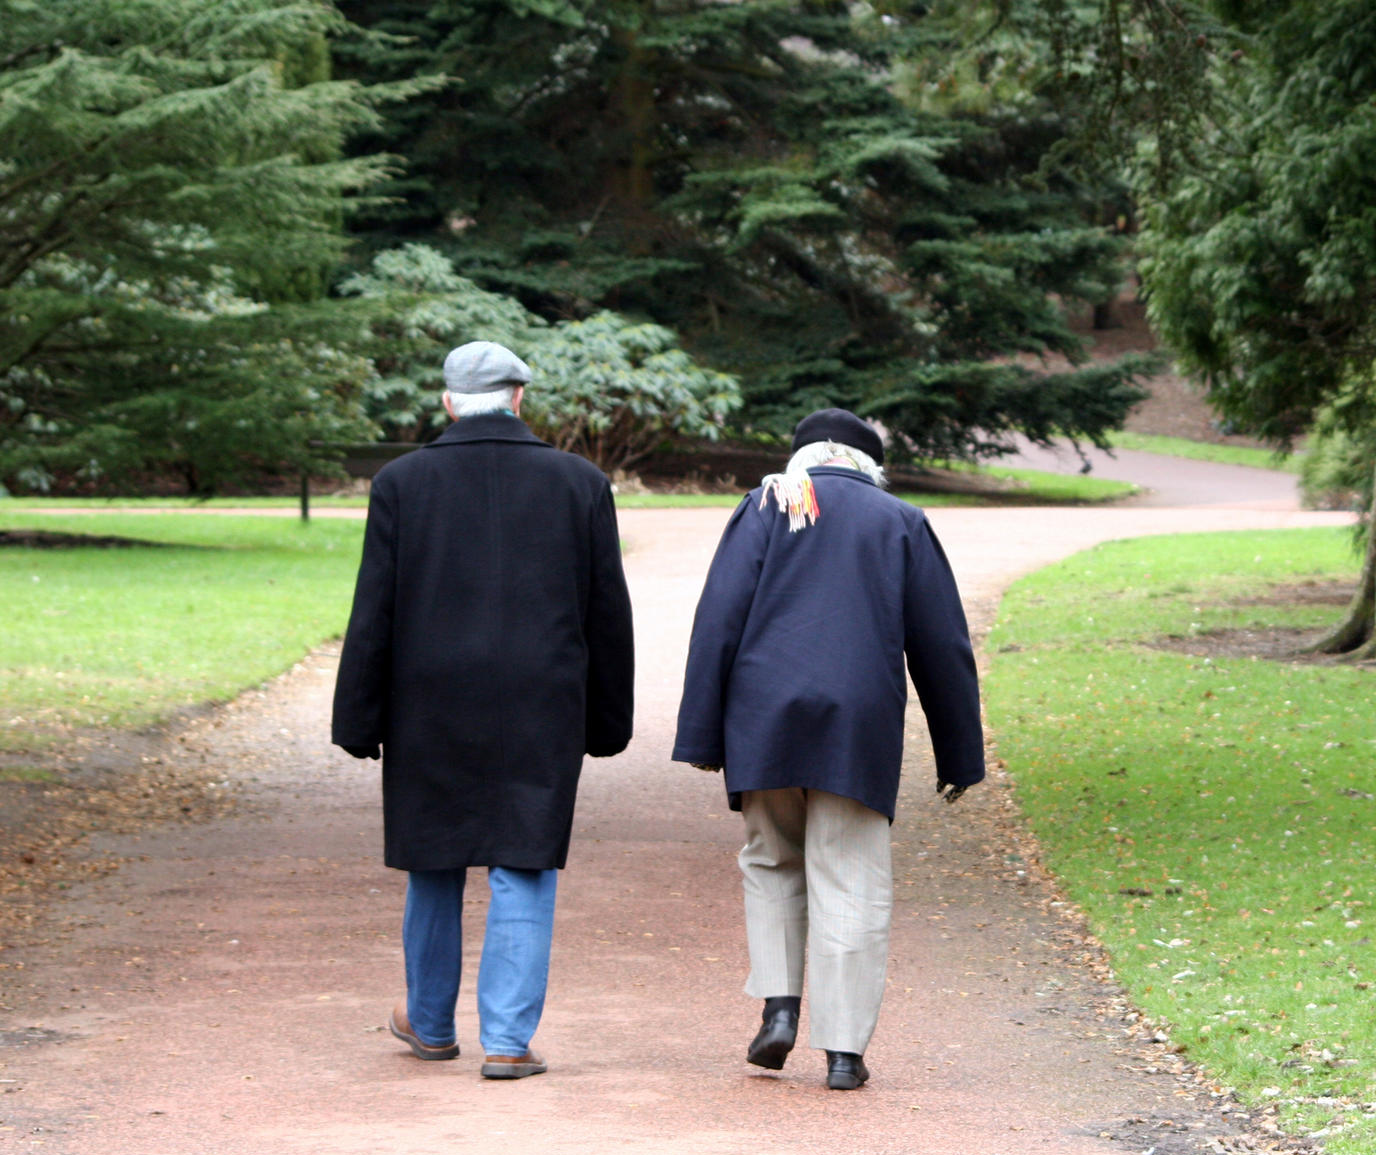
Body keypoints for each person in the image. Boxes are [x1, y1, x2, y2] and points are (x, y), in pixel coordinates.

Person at [331, 341, 635, 1080]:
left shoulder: (401, 482)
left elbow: (375, 609)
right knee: (524, 861)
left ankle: (430, 1022)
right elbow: (606, 615)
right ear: (520, 398)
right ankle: (506, 1039)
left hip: (427, 699)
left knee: (432, 859)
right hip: (540, 700)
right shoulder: (580, 482)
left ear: (447, 403)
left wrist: (357, 719)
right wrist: (609, 719)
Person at [673, 409, 984, 1090]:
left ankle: (779, 1009)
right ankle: (843, 1052)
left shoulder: (764, 506)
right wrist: (959, 754)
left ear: (804, 457)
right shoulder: (900, 521)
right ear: (870, 465)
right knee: (851, 875)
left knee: (770, 858)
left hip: (764, 717)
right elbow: (943, 647)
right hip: (857, 724)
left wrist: (702, 734)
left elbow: (718, 617)